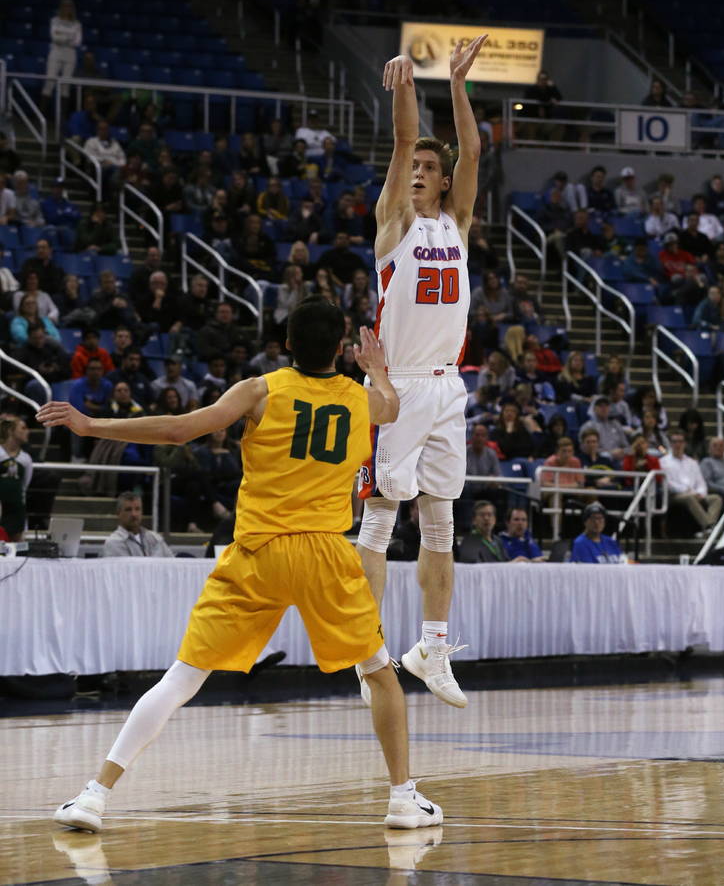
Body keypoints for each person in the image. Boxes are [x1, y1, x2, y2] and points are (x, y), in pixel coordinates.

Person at [41, 302, 442, 833]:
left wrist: (92, 424)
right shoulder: (358, 397)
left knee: (183, 677)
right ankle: (402, 799)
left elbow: (180, 430)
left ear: (287, 342)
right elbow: (390, 406)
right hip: (325, 553)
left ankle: (94, 795)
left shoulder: (260, 390)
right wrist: (376, 369)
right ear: (341, 344)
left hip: (258, 550)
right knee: (377, 672)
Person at [356, 35, 487, 711]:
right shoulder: (393, 223)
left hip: (445, 387)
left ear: (441, 182)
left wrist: (458, 85)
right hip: (397, 385)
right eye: (412, 165)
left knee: (441, 524)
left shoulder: (457, 223)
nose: (417, 171)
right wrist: (407, 85)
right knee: (378, 521)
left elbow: (472, 153)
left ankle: (430, 646)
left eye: (427, 168)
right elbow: (405, 139)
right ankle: (366, 645)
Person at [659, 431, 723, 535]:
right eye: (675, 442)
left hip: (694, 494)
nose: (678, 444)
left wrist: (700, 493)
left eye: (680, 441)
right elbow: (668, 484)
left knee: (716, 498)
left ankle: (707, 529)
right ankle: (709, 526)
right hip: (674, 496)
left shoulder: (692, 462)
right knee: (689, 497)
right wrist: (689, 492)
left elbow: (701, 482)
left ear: (684, 443)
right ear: (671, 444)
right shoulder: (663, 462)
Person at [102, 491, 173, 557]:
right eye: (128, 510)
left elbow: (172, 563)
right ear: (118, 513)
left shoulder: (155, 537)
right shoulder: (113, 543)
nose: (134, 514)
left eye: (137, 509)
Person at [41, 0, 82, 106]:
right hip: (56, 52)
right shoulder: (55, 21)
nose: (67, 8)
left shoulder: (77, 24)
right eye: (64, 6)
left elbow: (77, 42)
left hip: (70, 54)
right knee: (50, 81)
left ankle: (61, 118)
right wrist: (69, 36)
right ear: (61, 7)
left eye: (69, 6)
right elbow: (54, 37)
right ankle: (41, 115)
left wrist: (62, 36)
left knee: (65, 85)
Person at [0, 417, 33, 539]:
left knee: (16, 551)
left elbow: (24, 485)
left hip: (16, 510)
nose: (27, 431)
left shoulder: (26, 459)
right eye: (23, 428)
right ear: (10, 431)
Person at [463, 422, 502, 503]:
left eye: (483, 435)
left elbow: (498, 475)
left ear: (487, 438)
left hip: (486, 489)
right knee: (464, 490)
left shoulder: (491, 453)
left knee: (496, 492)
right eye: (477, 435)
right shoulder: (463, 452)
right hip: (467, 489)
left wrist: (494, 480)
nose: (479, 438)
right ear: (471, 436)